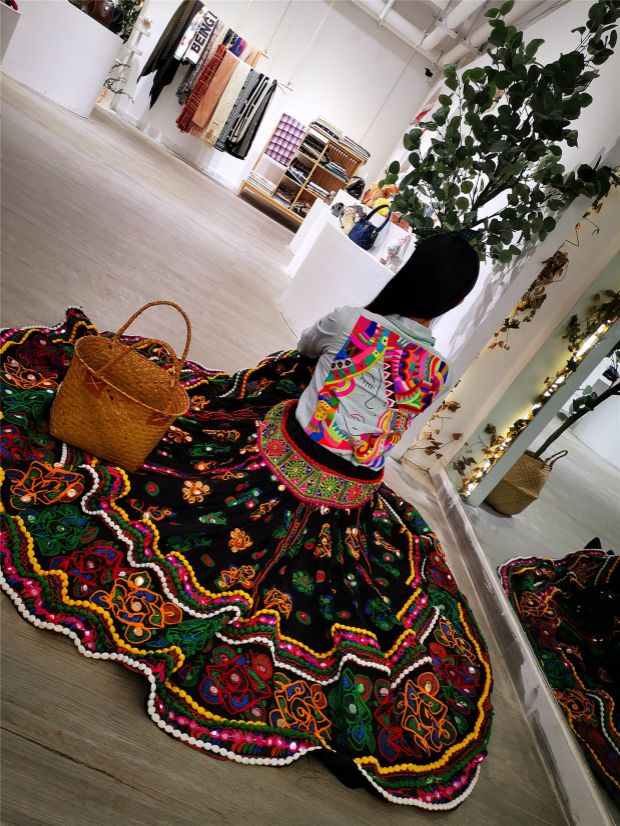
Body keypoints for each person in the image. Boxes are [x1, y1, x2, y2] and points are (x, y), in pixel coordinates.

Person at [0, 232, 492, 810]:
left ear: (410, 271)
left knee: (202, 448)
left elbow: (306, 348)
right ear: (453, 301)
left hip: (284, 459)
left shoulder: (353, 323)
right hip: (352, 497)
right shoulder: (437, 368)